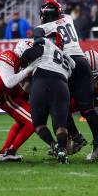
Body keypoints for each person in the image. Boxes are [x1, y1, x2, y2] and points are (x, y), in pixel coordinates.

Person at [34, 0, 98, 161]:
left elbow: (37, 35)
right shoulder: (67, 18)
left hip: (66, 64)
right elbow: (56, 11)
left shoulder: (45, 26)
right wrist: (52, 2)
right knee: (87, 107)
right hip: (82, 61)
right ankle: (97, 140)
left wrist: (41, 39)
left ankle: (76, 136)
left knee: (58, 105)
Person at [20, 32, 75, 163]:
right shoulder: (70, 60)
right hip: (62, 86)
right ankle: (62, 150)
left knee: (39, 124)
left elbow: (26, 55)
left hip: (41, 83)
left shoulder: (44, 47)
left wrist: (25, 72)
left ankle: (53, 145)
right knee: (61, 126)